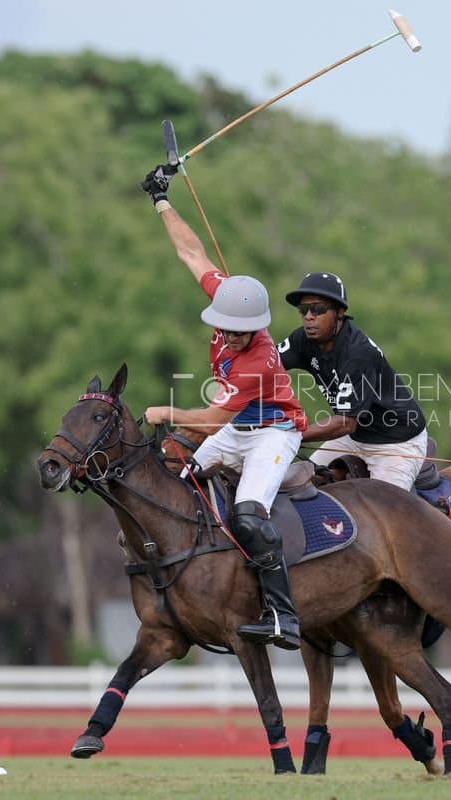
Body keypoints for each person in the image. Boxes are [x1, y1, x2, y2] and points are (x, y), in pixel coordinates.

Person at [138, 164, 307, 651]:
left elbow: (213, 420)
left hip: (273, 433)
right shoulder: (229, 297)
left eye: (238, 331)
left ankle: (283, 616)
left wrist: (163, 412)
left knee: (249, 515)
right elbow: (191, 253)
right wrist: (161, 200)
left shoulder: (257, 359)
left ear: (255, 327)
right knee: (176, 479)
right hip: (237, 429)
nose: (229, 336)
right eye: (225, 327)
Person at [277, 273, 428, 491]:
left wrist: (291, 435)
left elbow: (346, 422)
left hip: (396, 442)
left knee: (383, 511)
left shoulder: (358, 353)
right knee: (295, 485)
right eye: (303, 310)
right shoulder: (302, 339)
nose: (309, 316)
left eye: (318, 309)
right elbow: (265, 367)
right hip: (353, 438)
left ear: (340, 312)